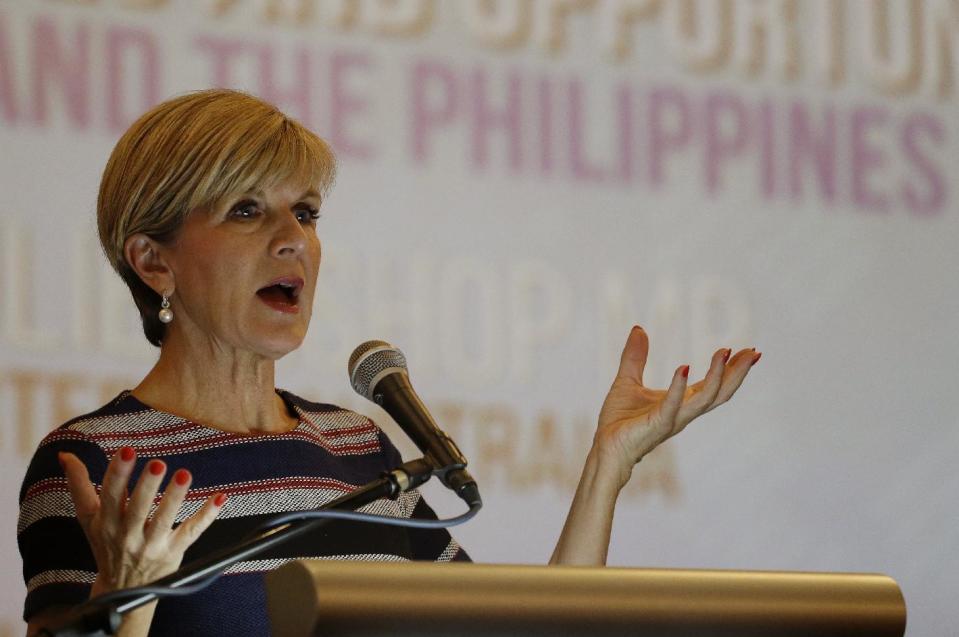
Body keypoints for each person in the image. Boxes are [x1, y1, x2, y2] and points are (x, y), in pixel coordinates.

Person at [17, 89, 760, 637]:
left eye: (305, 213)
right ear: (152, 260)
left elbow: (527, 633)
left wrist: (607, 465)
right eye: (246, 210)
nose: (291, 240)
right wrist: (127, 595)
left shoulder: (356, 445)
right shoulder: (93, 463)